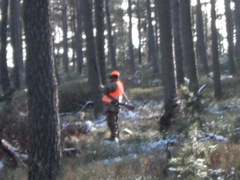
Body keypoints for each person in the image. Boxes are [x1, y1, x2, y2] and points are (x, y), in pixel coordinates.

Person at [100, 70, 124, 143]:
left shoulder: (114, 84)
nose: (111, 79)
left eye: (111, 77)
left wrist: (102, 88)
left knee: (111, 122)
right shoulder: (119, 84)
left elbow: (106, 90)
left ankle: (114, 137)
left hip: (111, 106)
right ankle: (116, 136)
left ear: (113, 77)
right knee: (114, 122)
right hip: (115, 106)